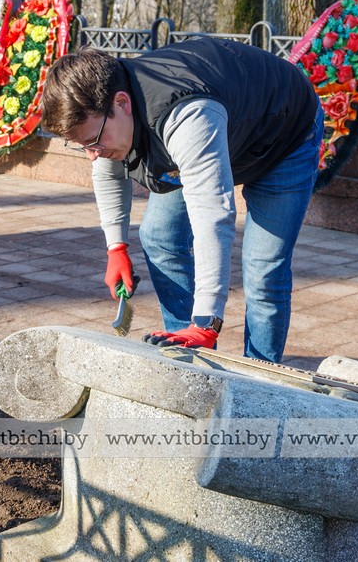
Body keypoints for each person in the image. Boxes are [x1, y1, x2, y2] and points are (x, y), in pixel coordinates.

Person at [41, 39, 323, 363]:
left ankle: (260, 374)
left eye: (94, 141)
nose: (93, 154)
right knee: (159, 236)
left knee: (263, 271)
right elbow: (107, 172)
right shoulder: (109, 110)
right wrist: (115, 247)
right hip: (222, 133)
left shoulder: (187, 116)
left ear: (122, 103)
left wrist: (208, 320)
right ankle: (190, 355)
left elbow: (212, 215)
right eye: (83, 146)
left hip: (284, 136)